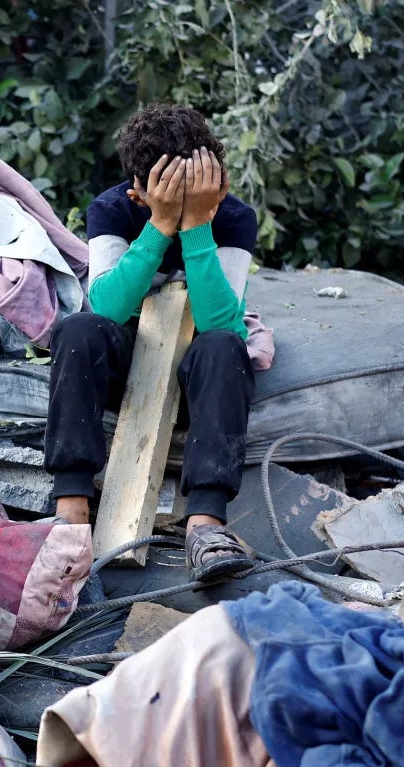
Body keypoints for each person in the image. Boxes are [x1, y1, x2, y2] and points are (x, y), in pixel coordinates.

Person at [43, 103, 259, 581]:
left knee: (226, 344)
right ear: (139, 192)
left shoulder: (233, 218)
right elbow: (107, 307)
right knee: (77, 329)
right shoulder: (114, 209)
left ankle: (205, 524)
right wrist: (159, 227)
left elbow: (221, 319)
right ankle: (72, 508)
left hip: (198, 377)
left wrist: (198, 226)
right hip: (124, 361)